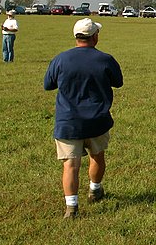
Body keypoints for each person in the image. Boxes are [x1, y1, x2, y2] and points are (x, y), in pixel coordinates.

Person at [44, 18, 123, 218]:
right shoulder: (105, 59)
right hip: (97, 121)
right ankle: (95, 189)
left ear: (76, 36)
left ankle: (71, 208)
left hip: (68, 122)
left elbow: (48, 85)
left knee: (70, 165)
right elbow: (118, 82)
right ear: (95, 36)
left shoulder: (60, 59)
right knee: (97, 157)